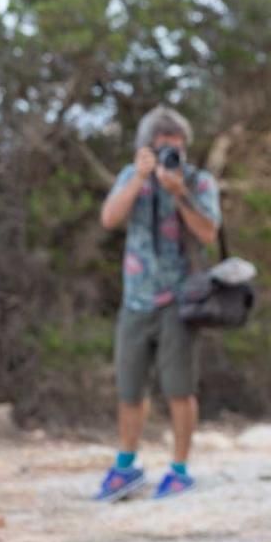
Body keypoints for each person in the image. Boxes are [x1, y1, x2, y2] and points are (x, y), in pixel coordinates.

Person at [94, 105, 222, 501]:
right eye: (162, 148)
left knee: (179, 388)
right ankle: (126, 465)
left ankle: (179, 470)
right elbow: (109, 219)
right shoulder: (131, 177)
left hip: (180, 301)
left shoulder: (198, 182)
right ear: (145, 148)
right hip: (135, 299)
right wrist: (139, 177)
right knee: (129, 387)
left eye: (176, 149)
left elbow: (208, 234)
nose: (171, 155)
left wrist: (179, 192)